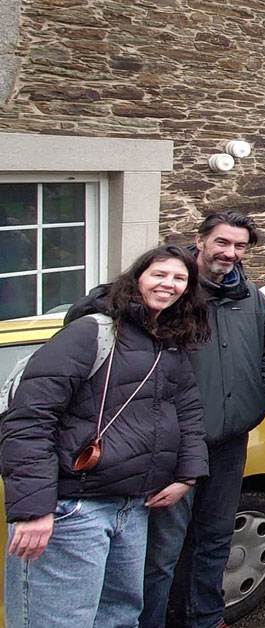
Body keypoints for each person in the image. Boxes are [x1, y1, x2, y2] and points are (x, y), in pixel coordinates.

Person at [2, 245, 209, 628]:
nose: (169, 284)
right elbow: (30, 418)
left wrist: (187, 476)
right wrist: (33, 510)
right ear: (136, 278)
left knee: (119, 619)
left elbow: (188, 413)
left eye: (180, 278)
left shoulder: (169, 342)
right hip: (74, 509)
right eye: (159, 274)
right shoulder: (91, 332)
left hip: (132, 508)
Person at [138, 213, 265, 628]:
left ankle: (206, 617)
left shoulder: (251, 298)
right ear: (200, 241)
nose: (229, 253)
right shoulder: (171, 291)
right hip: (172, 446)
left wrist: (261, 399)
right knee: (162, 552)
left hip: (229, 440)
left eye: (239, 246)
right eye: (222, 243)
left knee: (216, 538)